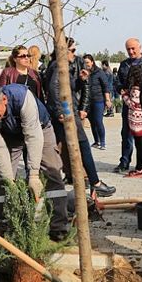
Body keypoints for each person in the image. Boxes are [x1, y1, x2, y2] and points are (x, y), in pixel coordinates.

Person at [0, 83, 69, 240]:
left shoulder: (22, 97)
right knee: (0, 179)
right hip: (9, 136)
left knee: (52, 172)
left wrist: (33, 174)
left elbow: (33, 135)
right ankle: (3, 223)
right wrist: (9, 181)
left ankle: (59, 228)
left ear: (4, 99)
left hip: (40, 128)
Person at [45, 39, 115, 197]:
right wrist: (60, 112)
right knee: (83, 145)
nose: (75, 54)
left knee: (75, 147)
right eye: (72, 50)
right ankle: (95, 182)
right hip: (66, 112)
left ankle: (86, 181)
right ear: (63, 50)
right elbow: (53, 89)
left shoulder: (65, 66)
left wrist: (81, 81)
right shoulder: (58, 66)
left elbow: (69, 88)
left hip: (69, 110)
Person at [115, 38, 142, 173]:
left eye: (133, 48)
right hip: (128, 106)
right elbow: (118, 83)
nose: (131, 51)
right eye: (128, 49)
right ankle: (124, 161)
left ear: (140, 47)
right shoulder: (124, 65)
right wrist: (121, 90)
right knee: (126, 135)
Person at [123, 63, 142, 177]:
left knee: (139, 146)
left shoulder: (135, 89)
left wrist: (124, 96)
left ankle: (139, 168)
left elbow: (133, 105)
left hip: (137, 122)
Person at [83, 54, 111, 150]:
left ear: (92, 62)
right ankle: (96, 141)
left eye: (87, 62)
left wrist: (107, 99)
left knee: (98, 121)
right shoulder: (84, 73)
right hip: (88, 102)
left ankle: (102, 142)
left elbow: (106, 86)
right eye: (84, 63)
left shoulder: (99, 72)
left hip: (99, 100)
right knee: (92, 122)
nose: (86, 65)